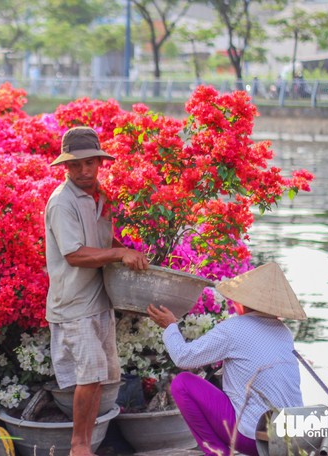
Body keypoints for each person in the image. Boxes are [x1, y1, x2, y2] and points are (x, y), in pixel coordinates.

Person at [45, 126, 149, 456]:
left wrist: (126, 251)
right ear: (65, 167)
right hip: (73, 303)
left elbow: (104, 242)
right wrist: (119, 254)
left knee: (101, 379)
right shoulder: (62, 203)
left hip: (99, 298)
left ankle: (87, 443)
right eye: (76, 165)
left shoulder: (101, 198)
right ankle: (79, 447)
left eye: (90, 163)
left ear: (99, 163)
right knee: (88, 377)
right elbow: (75, 254)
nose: (84, 170)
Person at [146, 262, 306, 456]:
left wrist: (171, 326)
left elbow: (183, 357)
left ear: (241, 303)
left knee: (182, 383)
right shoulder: (284, 332)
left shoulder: (235, 328)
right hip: (290, 438)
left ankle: (217, 452)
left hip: (254, 438)